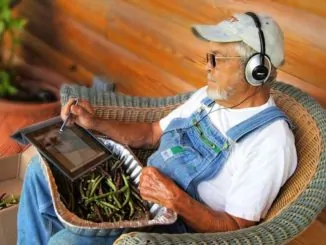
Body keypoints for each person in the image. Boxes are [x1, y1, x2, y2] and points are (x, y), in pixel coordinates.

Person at [17, 12, 297, 244]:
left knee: (64, 243)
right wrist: (96, 123)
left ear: (255, 70)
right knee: (40, 171)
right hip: (138, 192)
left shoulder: (270, 142)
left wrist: (176, 199)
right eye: (207, 58)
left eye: (216, 59)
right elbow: (151, 133)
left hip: (174, 231)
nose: (207, 68)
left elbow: (238, 231)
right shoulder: (209, 97)